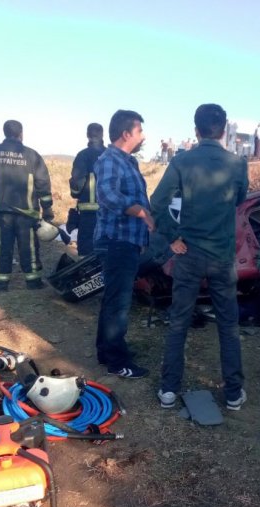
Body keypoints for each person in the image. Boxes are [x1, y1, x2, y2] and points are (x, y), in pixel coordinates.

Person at [150, 103, 249, 411]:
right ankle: (233, 394)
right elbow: (240, 199)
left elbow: (156, 203)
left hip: (189, 254)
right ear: (224, 130)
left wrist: (173, 237)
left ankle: (168, 390)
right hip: (221, 255)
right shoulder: (237, 164)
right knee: (228, 325)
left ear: (196, 130)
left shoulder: (182, 161)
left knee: (179, 321)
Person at [94, 109, 154, 379]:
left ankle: (106, 351)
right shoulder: (110, 160)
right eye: (140, 131)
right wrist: (141, 212)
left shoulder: (129, 162)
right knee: (118, 302)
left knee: (113, 299)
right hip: (117, 240)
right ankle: (119, 362)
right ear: (126, 133)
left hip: (127, 240)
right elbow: (107, 195)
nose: (143, 136)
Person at [0, 119, 53, 291]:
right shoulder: (32, 155)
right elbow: (43, 184)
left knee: (2, 247)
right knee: (29, 248)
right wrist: (48, 210)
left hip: (1, 213)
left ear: (5, 132)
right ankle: (33, 282)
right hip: (27, 214)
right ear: (21, 134)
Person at [69, 123, 105, 257]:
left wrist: (75, 193)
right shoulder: (111, 155)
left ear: (87, 135)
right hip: (110, 213)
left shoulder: (83, 155)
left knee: (86, 249)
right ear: (102, 135)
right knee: (106, 247)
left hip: (88, 212)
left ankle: (88, 276)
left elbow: (77, 181)